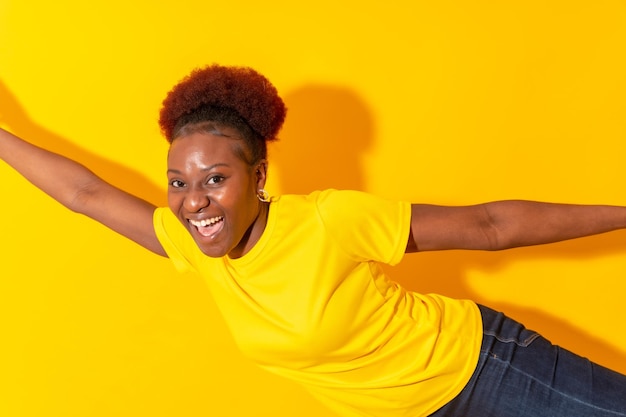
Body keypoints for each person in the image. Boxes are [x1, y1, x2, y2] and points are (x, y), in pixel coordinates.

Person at [1, 64, 625, 417]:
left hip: (486, 371)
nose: (194, 201)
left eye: (215, 179)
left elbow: (491, 225)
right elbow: (82, 194)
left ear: (260, 177)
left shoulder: (328, 220)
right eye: (178, 182)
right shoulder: (192, 242)